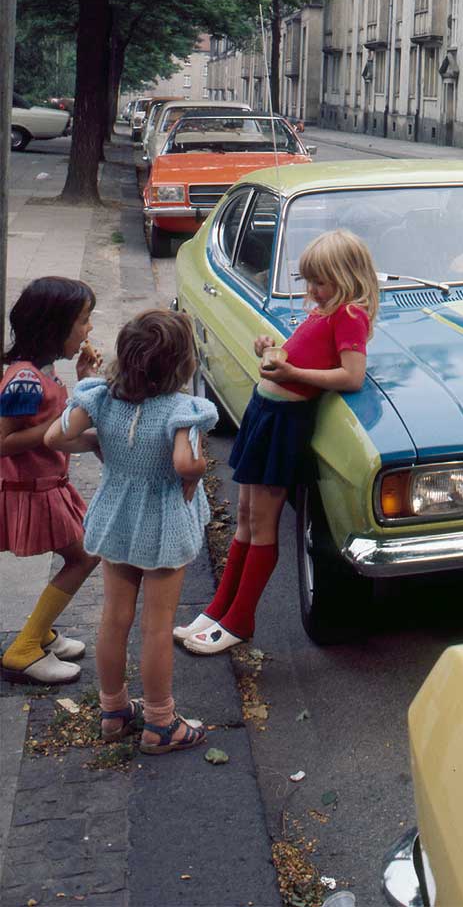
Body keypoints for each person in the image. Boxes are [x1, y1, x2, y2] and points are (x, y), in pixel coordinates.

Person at [178, 229, 378, 655]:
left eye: (320, 282)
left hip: (285, 423)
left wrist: (292, 376)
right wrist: (271, 350)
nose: (312, 290)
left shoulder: (349, 316)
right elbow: (303, 357)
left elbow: (351, 375)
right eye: (309, 280)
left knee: (262, 524)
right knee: (245, 516)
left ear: (346, 277)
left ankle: (240, 618)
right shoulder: (324, 311)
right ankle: (217, 609)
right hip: (266, 415)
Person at [47, 310, 215, 753]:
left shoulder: (102, 399)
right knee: (156, 628)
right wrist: (197, 471)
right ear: (181, 364)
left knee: (114, 618)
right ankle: (161, 723)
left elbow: (55, 438)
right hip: (162, 526)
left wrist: (101, 444)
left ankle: (114, 710)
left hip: (116, 518)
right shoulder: (183, 410)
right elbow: (183, 462)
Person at [0, 278, 103, 686]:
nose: (89, 330)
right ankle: (24, 648)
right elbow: (4, 442)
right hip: (31, 490)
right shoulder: (24, 378)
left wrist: (83, 391)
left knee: (83, 552)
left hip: (48, 484)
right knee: (84, 556)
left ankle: (41, 633)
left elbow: (59, 430)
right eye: (83, 320)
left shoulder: (44, 372)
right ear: (54, 325)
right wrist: (56, 434)